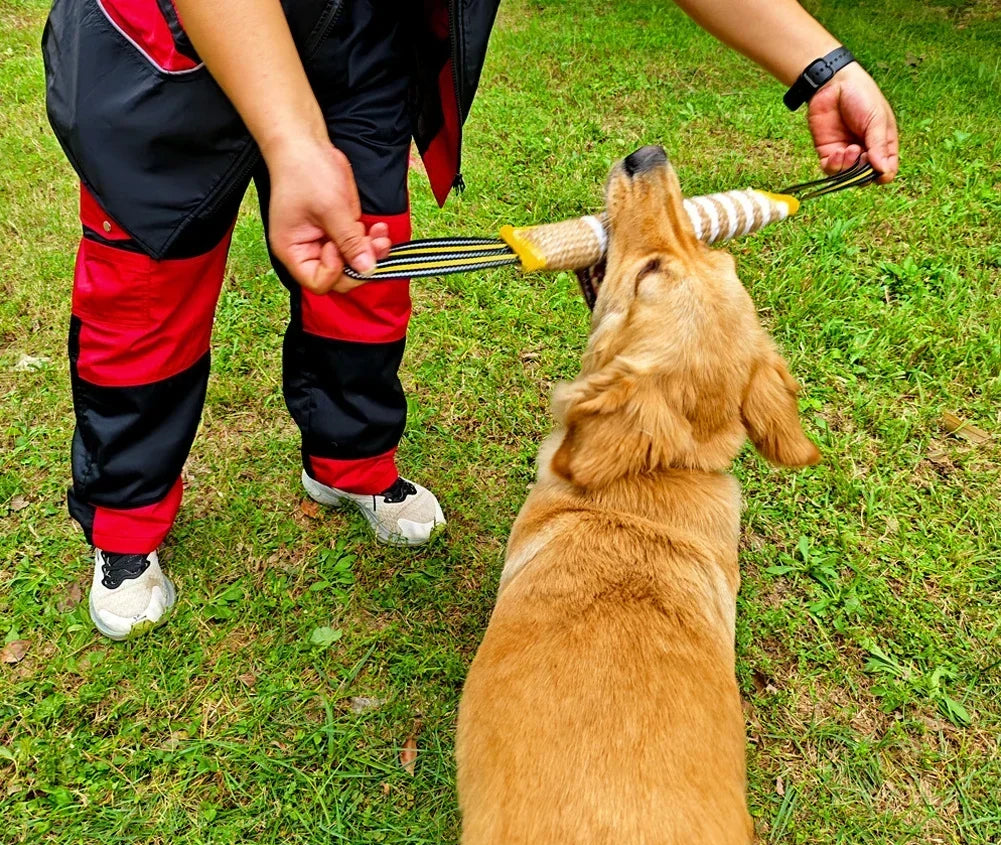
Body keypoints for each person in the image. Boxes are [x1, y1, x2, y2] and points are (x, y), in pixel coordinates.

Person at [41, 0, 898, 640]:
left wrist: (820, 64)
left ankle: (351, 462)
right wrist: (291, 139)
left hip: (356, 35)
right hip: (164, 42)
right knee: (144, 300)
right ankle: (126, 526)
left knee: (366, 273)